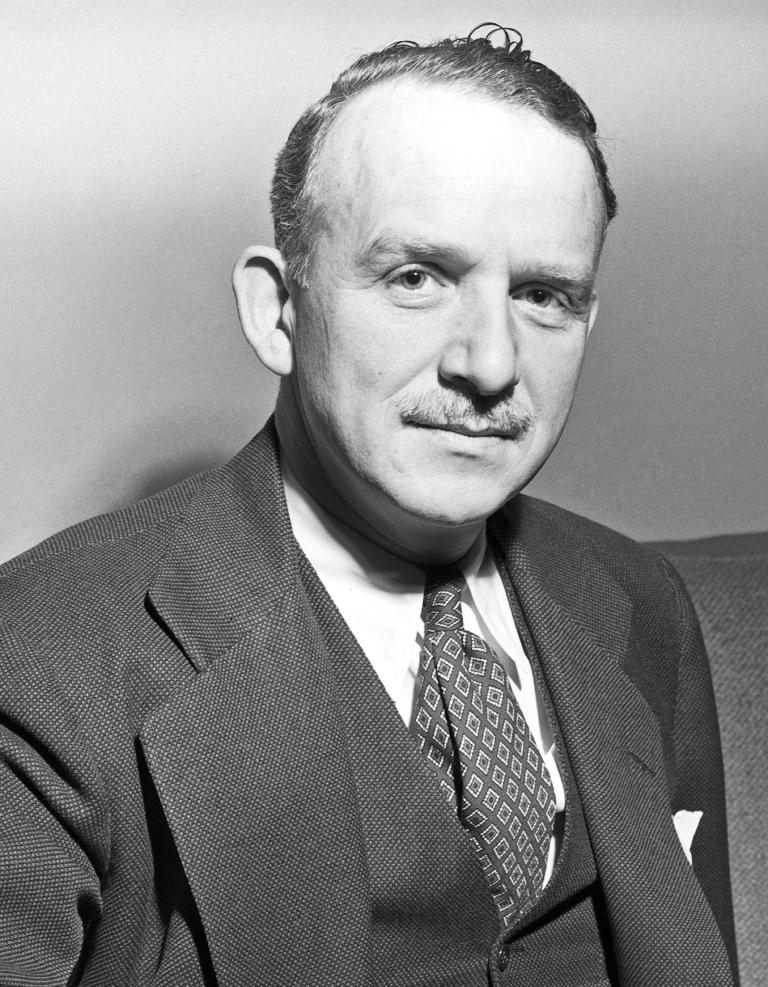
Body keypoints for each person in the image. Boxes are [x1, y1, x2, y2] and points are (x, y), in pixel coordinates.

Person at [0, 24, 738, 987]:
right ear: (279, 310)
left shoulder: (638, 601)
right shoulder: (43, 658)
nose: (491, 363)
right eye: (417, 278)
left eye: (545, 295)